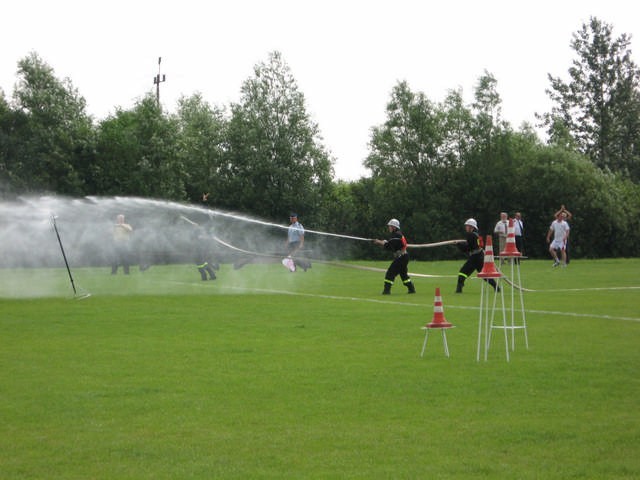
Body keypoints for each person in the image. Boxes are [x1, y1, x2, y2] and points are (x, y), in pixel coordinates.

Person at [373, 218, 416, 295]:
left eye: (390, 226)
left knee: (390, 273)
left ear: (394, 227)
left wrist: (379, 242)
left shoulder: (396, 235)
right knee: (403, 275)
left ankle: (386, 290)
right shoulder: (397, 235)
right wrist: (384, 242)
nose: (389, 228)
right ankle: (411, 288)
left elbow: (389, 246)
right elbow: (392, 244)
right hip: (403, 257)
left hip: (401, 257)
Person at [456, 218, 499, 293]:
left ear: (471, 227)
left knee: (462, 272)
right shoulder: (476, 235)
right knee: (484, 275)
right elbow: (472, 245)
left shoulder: (471, 235)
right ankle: (496, 287)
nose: (466, 227)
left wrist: (459, 245)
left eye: (467, 226)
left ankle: (459, 289)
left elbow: (468, 248)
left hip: (475, 257)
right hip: (480, 256)